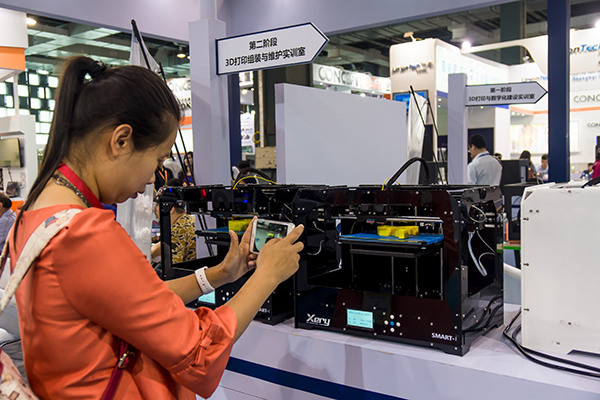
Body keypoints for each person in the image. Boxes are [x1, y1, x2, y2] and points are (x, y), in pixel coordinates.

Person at [8, 56, 304, 399]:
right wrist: (268, 276)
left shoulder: (37, 214)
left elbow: (135, 304)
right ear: (121, 140)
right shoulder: (84, 233)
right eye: (158, 160)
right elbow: (198, 350)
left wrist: (220, 274)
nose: (152, 178)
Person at [151, 178, 196, 264]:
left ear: (171, 209)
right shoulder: (187, 220)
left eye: (157, 205)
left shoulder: (178, 229)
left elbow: (172, 269)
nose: (154, 209)